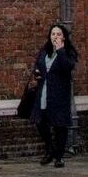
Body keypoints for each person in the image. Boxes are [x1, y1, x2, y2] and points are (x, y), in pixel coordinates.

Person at [30, 23, 78, 167]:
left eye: (58, 34)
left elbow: (67, 67)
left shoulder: (67, 52)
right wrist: (37, 73)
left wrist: (61, 50)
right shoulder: (44, 52)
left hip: (59, 94)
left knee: (59, 125)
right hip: (43, 91)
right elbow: (38, 66)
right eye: (53, 34)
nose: (55, 37)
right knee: (40, 121)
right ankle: (50, 149)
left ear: (63, 37)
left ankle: (59, 156)